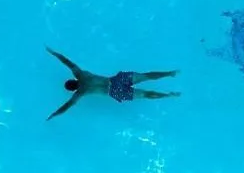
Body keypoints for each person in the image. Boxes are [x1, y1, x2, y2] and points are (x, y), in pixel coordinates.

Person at [45, 47, 180, 121]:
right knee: (146, 76)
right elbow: (68, 63)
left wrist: (53, 115)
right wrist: (54, 53)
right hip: (115, 81)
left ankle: (169, 95)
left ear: (73, 89)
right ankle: (170, 73)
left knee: (145, 94)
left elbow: (66, 106)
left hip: (115, 92)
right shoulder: (81, 75)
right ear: (74, 80)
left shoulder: (80, 93)